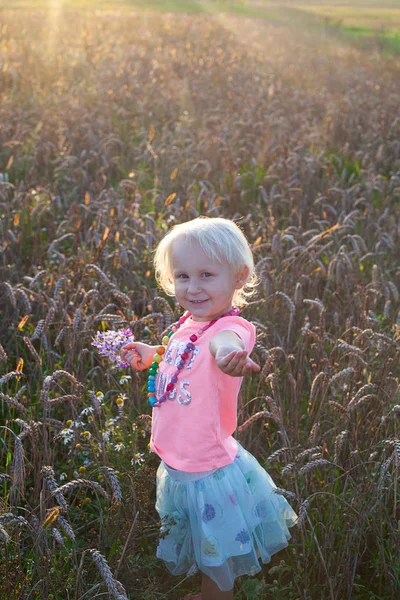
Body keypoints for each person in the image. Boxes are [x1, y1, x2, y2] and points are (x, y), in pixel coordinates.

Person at [120, 217, 297, 600]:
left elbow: (221, 346)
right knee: (203, 541)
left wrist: (231, 356)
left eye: (205, 275)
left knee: (215, 552)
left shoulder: (229, 330)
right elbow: (182, 355)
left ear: (238, 276)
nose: (193, 287)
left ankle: (216, 596)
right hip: (179, 460)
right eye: (182, 276)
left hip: (206, 471)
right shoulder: (190, 322)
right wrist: (154, 354)